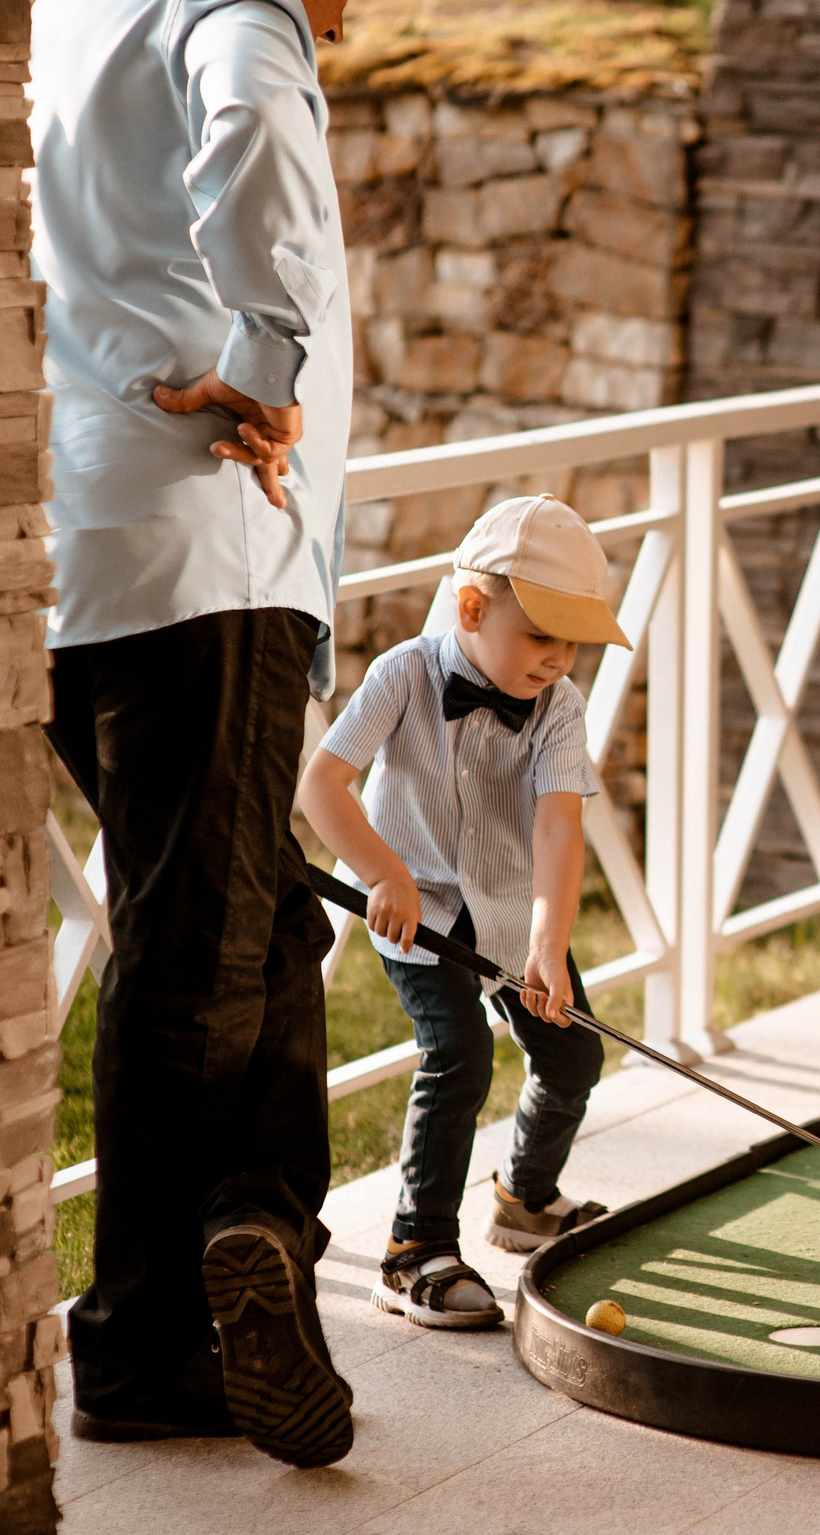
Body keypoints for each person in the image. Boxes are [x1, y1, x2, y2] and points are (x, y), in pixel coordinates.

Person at [30, 0, 392, 1469]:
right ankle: (149, 1337)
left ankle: (257, 1227)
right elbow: (251, 140)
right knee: (196, 948)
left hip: (67, 546)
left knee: (247, 926)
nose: (338, 21)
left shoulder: (64, 1)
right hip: (207, 553)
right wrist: (260, 361)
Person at [298, 495, 630, 1328]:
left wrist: (549, 945)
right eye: (541, 636)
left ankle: (523, 1200)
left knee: (573, 1058)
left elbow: (559, 822)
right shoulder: (403, 674)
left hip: (517, 916)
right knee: (460, 1055)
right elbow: (321, 787)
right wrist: (383, 871)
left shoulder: (559, 706)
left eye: (571, 642)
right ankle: (415, 1250)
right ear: (473, 608)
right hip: (420, 910)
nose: (557, 659)